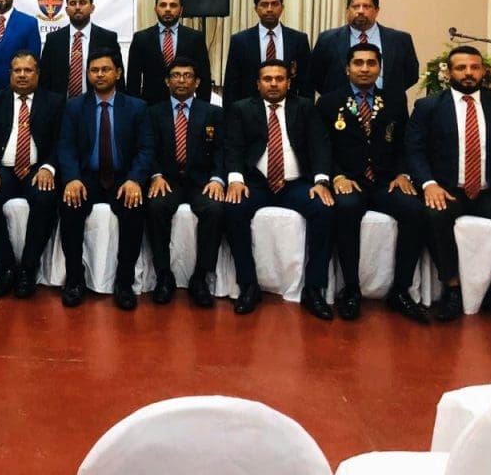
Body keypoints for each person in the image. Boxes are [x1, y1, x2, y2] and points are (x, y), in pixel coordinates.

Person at [406, 45, 491, 328]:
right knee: (434, 215)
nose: (468, 73)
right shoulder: (429, 107)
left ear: (483, 71)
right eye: (461, 68)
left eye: (474, 67)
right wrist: (428, 184)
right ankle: (452, 288)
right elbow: (414, 151)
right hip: (449, 189)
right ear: (449, 72)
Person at [316, 44, 429, 322]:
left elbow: (405, 143)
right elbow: (321, 147)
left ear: (379, 69)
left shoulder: (394, 100)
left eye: (370, 63)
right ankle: (351, 289)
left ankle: (400, 291)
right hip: (348, 181)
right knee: (346, 209)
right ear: (347, 68)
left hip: (385, 181)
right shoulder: (329, 102)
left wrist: (403, 173)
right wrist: (336, 176)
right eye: (358, 63)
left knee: (415, 211)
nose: (364, 68)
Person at [223, 59, 336, 319]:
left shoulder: (305, 108)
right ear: (258, 83)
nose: (273, 83)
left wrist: (321, 181)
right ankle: (248, 285)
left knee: (325, 210)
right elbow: (233, 147)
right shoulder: (242, 109)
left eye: (279, 79)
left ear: (288, 82)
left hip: (296, 185)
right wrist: (236, 179)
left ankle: (314, 289)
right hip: (256, 183)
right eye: (267, 79)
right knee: (232, 209)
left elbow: (320, 145)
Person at [57, 48, 154, 310]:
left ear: (118, 73)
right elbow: (65, 147)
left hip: (123, 179)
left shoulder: (136, 107)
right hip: (87, 177)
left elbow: (146, 149)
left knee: (134, 210)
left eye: (105, 69)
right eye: (94, 70)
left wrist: (135, 180)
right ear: (88, 74)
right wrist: (72, 179)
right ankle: (75, 281)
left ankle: (124, 283)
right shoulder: (75, 106)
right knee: (69, 208)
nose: (99, 75)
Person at [0, 51, 64, 298]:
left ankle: (28, 269)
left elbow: (60, 143)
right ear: (10, 73)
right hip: (4, 170)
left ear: (38, 73)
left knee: (46, 198)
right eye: (17, 70)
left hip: (37, 169)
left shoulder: (55, 102)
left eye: (28, 70)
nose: (22, 75)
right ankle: (6, 268)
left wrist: (48, 168)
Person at [145, 57, 226, 308]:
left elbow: (224, 150)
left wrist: (217, 179)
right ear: (167, 81)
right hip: (167, 181)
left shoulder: (213, 113)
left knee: (215, 208)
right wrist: (155, 175)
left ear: (198, 81)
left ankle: (200, 278)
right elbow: (147, 149)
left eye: (187, 75)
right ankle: (163, 276)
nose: (181, 80)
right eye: (176, 75)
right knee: (155, 206)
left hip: (202, 181)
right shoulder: (152, 112)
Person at [310, 0, 419, 112]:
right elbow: (315, 76)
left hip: (389, 112)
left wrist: (388, 95)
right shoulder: (327, 39)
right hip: (339, 114)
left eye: (366, 6)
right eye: (355, 6)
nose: (360, 11)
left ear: (377, 10)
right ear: (347, 10)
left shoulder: (400, 40)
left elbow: (411, 74)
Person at [222, 0, 311, 106]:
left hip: (289, 111)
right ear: (256, 8)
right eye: (264, 4)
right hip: (249, 111)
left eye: (274, 4)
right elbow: (231, 85)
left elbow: (307, 83)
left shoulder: (298, 40)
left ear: (282, 7)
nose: (269, 9)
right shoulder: (240, 41)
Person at [127, 0, 211, 103]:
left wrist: (203, 110)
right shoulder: (141, 38)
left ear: (181, 10)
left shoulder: (195, 38)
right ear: (155, 9)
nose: (167, 9)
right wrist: (136, 110)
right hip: (151, 108)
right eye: (163, 5)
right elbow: (133, 81)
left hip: (185, 106)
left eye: (173, 5)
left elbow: (204, 78)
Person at [38, 0, 122, 98]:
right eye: (73, 3)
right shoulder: (53, 40)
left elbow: (118, 78)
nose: (77, 7)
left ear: (92, 8)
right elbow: (44, 80)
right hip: (60, 108)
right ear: (67, 10)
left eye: (82, 3)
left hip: (96, 106)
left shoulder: (107, 38)